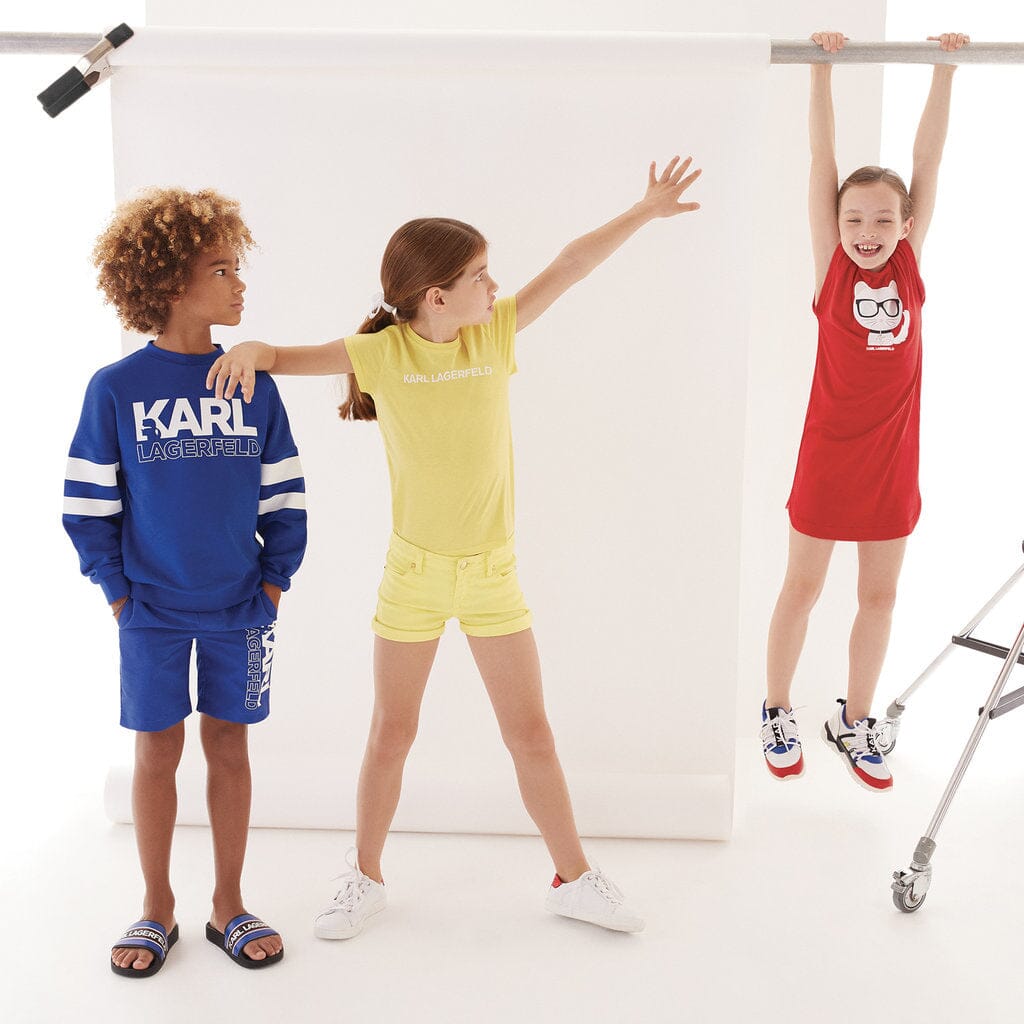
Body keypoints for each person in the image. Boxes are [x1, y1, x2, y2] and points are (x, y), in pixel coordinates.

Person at [207, 157, 701, 935]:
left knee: (530, 734)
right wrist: (249, 349)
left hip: (492, 576)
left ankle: (574, 877)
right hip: (412, 576)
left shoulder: (492, 334)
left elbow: (570, 265)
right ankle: (364, 876)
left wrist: (644, 210)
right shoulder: (382, 354)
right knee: (391, 733)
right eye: (480, 276)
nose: (494, 286)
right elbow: (282, 358)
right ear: (436, 297)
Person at [63, 188, 307, 976]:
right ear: (169, 282)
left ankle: (228, 904)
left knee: (229, 747)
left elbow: (284, 493)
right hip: (151, 611)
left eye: (238, 268)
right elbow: (88, 504)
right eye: (222, 270)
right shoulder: (115, 388)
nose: (240, 284)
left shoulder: (255, 383)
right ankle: (156, 906)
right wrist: (117, 592)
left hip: (242, 606)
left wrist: (274, 584)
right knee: (155, 751)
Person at [761, 32, 969, 790]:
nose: (868, 233)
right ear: (838, 223)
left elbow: (928, 163)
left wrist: (945, 69)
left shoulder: (909, 263)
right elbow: (822, 163)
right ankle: (777, 708)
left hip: (891, 460)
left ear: (906, 226)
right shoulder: (832, 270)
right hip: (829, 453)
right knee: (803, 588)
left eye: (883, 220)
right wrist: (820, 71)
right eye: (854, 220)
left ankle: (853, 719)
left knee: (878, 596)